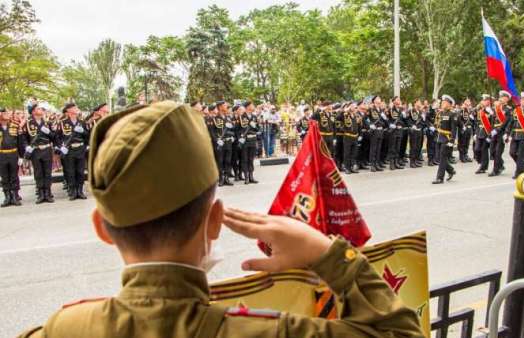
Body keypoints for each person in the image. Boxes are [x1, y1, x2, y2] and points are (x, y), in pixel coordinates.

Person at [17, 101, 424, 338]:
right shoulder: (268, 332)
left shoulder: (63, 329)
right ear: (216, 222)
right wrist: (327, 253)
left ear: (102, 229)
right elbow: (400, 331)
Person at [24, 104, 56, 204]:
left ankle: (48, 193)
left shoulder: (47, 122)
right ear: (33, 112)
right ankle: (41, 194)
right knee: (38, 173)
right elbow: (24, 138)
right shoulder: (28, 123)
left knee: (47, 172)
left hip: (46, 149)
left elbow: (54, 137)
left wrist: (49, 132)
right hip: (35, 151)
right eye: (38, 109)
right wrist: (26, 146)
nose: (41, 110)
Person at [58, 103, 89, 200]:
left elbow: (87, 136)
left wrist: (83, 132)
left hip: (80, 149)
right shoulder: (62, 123)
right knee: (70, 171)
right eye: (74, 108)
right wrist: (61, 146)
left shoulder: (82, 122)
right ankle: (72, 191)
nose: (76, 109)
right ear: (68, 111)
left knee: (80, 171)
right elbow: (57, 136)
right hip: (69, 150)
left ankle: (80, 190)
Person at [0, 108, 24, 207]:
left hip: (13, 154)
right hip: (1, 155)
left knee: (14, 176)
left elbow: (20, 142)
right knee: (4, 177)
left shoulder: (15, 126)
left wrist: (21, 156)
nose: (6, 114)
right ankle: (7, 197)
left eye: (7, 113)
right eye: (4, 113)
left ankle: (14, 196)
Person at [432, 95, 457, 185]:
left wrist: (452, 141)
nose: (442, 104)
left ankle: (439, 178)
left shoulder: (452, 114)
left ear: (449, 104)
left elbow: (454, 129)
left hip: (446, 138)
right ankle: (451, 170)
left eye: (444, 102)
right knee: (438, 157)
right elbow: (437, 123)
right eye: (442, 102)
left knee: (442, 158)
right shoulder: (440, 113)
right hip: (439, 137)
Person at [209, 101, 235, 187]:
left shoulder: (228, 118)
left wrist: (232, 136)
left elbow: (232, 130)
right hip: (220, 143)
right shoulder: (214, 119)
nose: (226, 106)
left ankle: (227, 178)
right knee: (220, 161)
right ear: (220, 107)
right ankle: (221, 178)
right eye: (224, 105)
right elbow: (212, 132)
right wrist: (217, 140)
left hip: (228, 142)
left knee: (228, 161)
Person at [489, 91, 512, 177]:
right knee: (492, 151)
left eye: (503, 97)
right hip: (494, 131)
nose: (501, 98)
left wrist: (503, 131)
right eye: (500, 97)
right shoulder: (496, 108)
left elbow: (507, 122)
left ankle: (495, 170)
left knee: (498, 151)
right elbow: (493, 120)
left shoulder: (508, 109)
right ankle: (501, 165)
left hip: (501, 132)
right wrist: (491, 130)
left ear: (507, 99)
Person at [238, 101, 259, 185]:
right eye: (251, 105)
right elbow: (238, 129)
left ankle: (251, 176)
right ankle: (246, 177)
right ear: (247, 107)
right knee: (245, 159)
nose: (253, 106)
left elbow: (257, 128)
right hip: (245, 140)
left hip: (253, 140)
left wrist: (255, 127)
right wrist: (240, 138)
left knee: (251, 159)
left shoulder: (254, 116)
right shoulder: (241, 117)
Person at [475, 95, 493, 174]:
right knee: (477, 149)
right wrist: (476, 133)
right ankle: (481, 163)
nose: (485, 102)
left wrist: (491, 113)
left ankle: (483, 167)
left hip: (486, 132)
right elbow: (477, 122)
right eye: (484, 100)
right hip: (479, 132)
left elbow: (493, 123)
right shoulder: (480, 110)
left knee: (484, 150)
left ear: (489, 101)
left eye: (486, 100)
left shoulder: (491, 111)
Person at [387, 97, 405, 170]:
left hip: (399, 130)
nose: (399, 101)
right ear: (394, 101)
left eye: (399, 100)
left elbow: (402, 121)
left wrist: (401, 125)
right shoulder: (391, 109)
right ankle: (391, 163)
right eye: (397, 100)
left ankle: (396, 162)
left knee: (398, 148)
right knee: (392, 148)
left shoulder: (400, 110)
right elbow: (387, 119)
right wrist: (390, 124)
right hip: (393, 131)